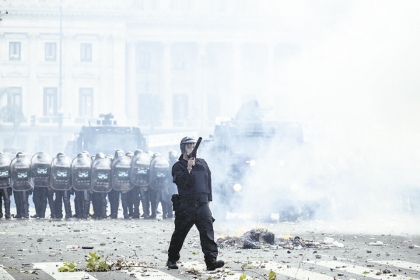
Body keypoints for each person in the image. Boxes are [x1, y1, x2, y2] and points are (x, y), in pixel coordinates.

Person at [167, 136, 224, 271]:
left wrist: (209, 200)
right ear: (182, 148)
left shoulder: (203, 163)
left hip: (202, 204)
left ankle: (211, 261)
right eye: (188, 146)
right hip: (186, 205)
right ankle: (172, 259)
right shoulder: (178, 166)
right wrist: (188, 169)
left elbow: (208, 182)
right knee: (180, 233)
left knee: (207, 233)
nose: (191, 148)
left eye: (193, 146)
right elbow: (180, 182)